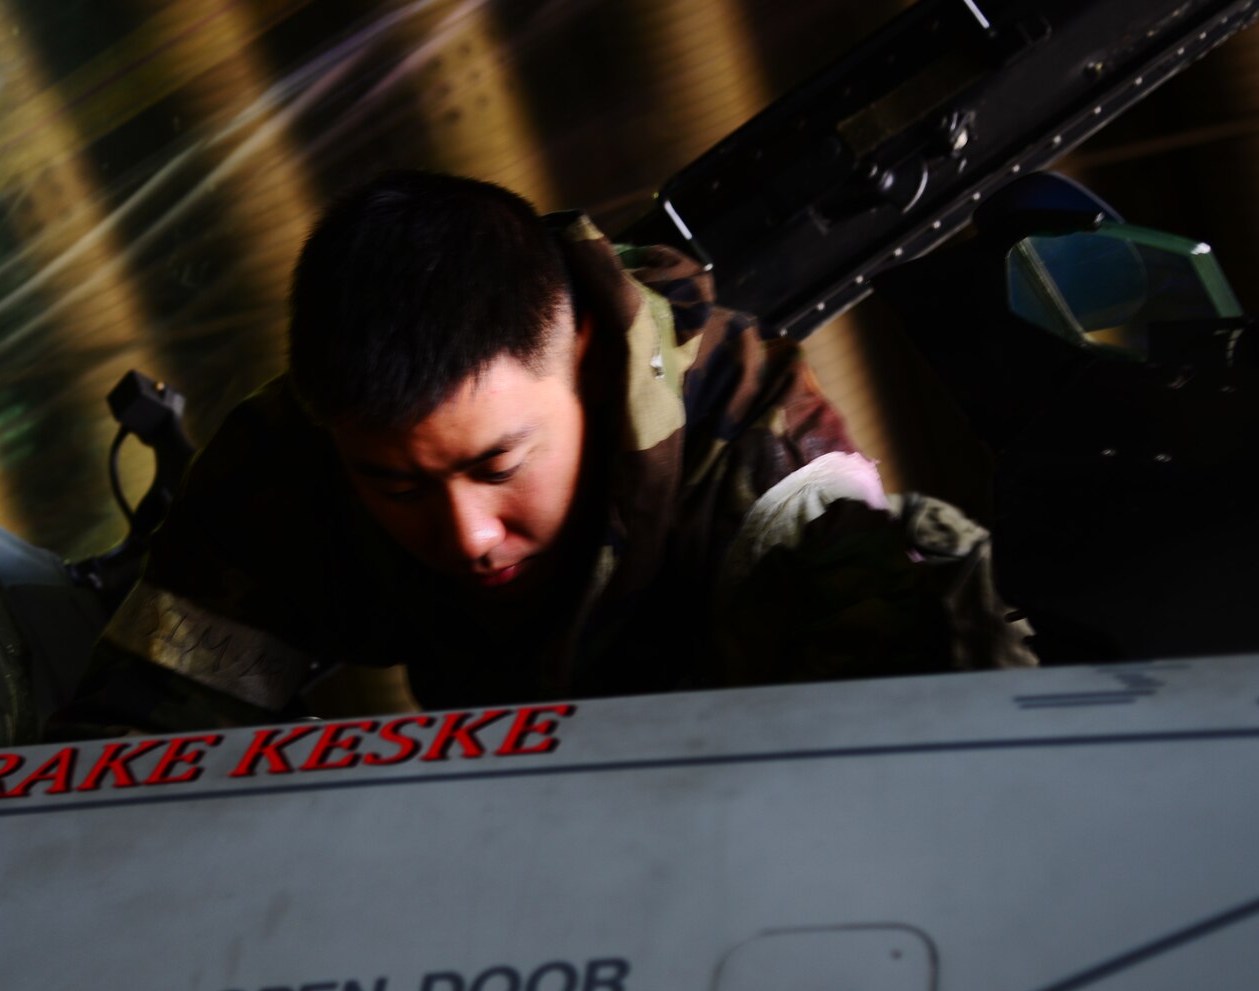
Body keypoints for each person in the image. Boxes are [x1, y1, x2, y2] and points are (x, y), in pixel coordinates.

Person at [68, 171, 1030, 733]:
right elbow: (132, 756)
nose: (468, 534)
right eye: (394, 483)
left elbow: (898, 738)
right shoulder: (289, 456)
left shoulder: (759, 444)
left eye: (497, 466)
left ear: (579, 360)